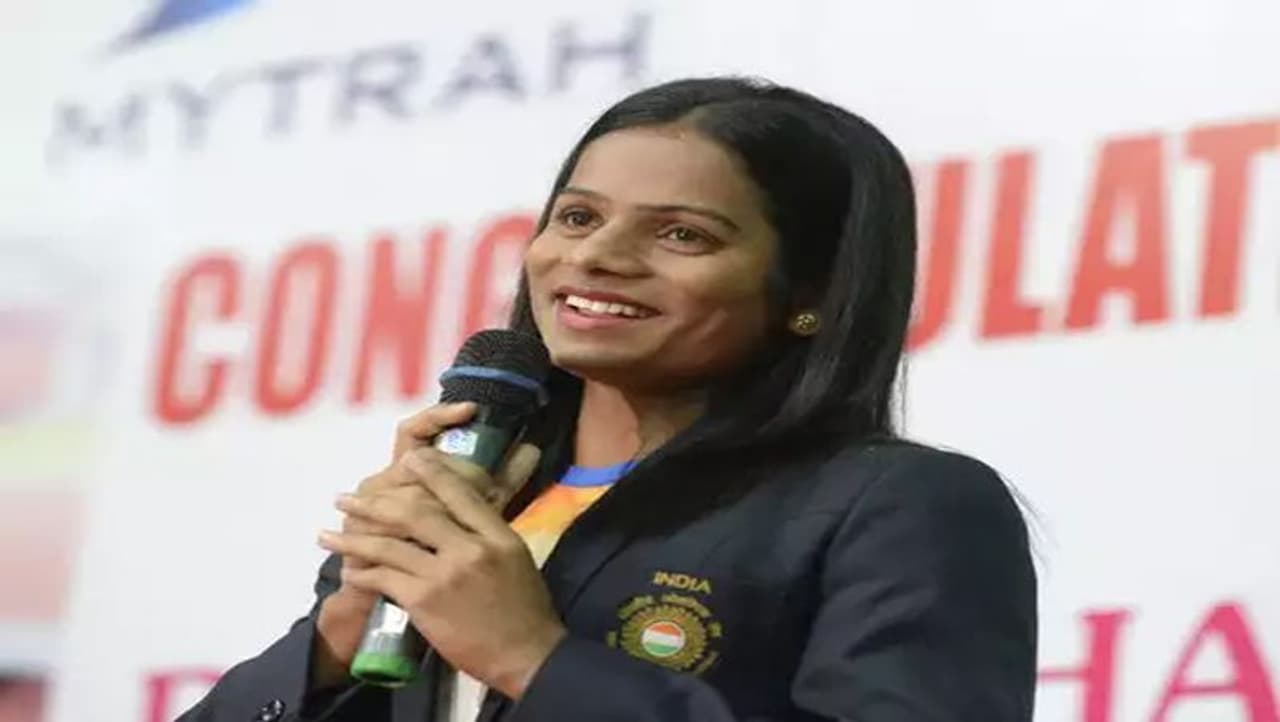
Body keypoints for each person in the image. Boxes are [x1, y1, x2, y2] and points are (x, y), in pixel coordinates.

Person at [179, 76, 1037, 722]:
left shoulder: (895, 507)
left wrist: (533, 659)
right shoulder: (463, 496)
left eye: (682, 234)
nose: (596, 257)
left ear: (810, 290)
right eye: (579, 218)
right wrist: (337, 635)